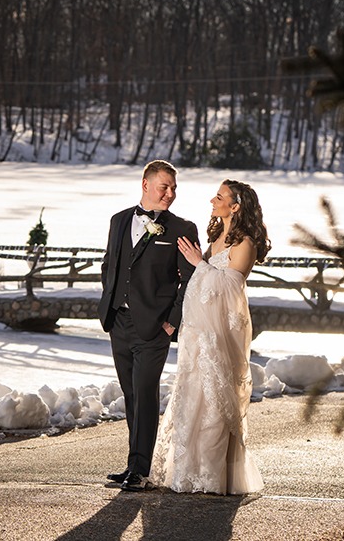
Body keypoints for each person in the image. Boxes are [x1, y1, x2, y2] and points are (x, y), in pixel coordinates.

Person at [149, 179, 270, 495]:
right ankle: (189, 473)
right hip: (199, 331)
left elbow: (231, 287)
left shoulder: (245, 244)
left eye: (219, 196)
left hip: (221, 334)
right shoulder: (216, 237)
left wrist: (198, 265)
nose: (212, 200)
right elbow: (202, 279)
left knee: (215, 399)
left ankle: (212, 477)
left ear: (235, 206)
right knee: (193, 397)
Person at [97, 160, 199, 492]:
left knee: (145, 393)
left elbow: (191, 281)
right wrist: (110, 304)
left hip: (155, 328)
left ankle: (140, 470)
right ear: (145, 184)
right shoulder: (119, 220)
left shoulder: (182, 228)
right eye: (164, 187)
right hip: (119, 322)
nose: (170, 193)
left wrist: (171, 322)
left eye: (173, 188)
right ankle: (133, 465)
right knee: (131, 394)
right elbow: (109, 265)